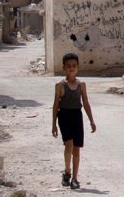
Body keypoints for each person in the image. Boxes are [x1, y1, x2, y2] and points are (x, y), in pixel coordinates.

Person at [51, 52, 96, 190]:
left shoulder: (81, 85)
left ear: (78, 67)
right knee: (69, 144)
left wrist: (91, 121)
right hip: (64, 116)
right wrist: (53, 124)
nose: (72, 68)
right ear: (64, 67)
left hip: (77, 117)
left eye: (74, 66)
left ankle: (75, 179)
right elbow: (55, 105)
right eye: (69, 66)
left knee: (76, 149)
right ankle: (67, 171)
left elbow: (86, 103)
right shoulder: (60, 85)